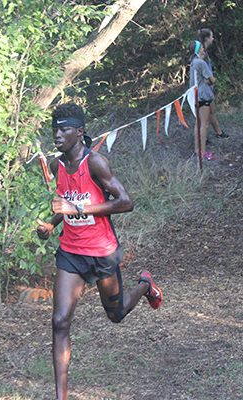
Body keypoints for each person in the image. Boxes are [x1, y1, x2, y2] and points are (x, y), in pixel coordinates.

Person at [37, 103, 163, 400]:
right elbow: (65, 201)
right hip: (71, 252)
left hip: (102, 251)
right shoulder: (58, 165)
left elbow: (125, 202)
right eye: (55, 129)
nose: (57, 134)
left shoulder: (95, 163)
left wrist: (77, 207)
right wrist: (53, 224)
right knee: (59, 321)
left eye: (64, 129)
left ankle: (145, 284)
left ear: (79, 132)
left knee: (116, 314)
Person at [197, 28, 228, 139]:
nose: (213, 38)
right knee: (203, 118)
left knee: (211, 111)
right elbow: (199, 70)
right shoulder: (201, 54)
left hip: (208, 88)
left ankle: (218, 132)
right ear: (207, 38)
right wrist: (209, 80)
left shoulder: (205, 52)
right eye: (211, 36)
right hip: (203, 89)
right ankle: (202, 141)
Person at [190, 41, 217, 160]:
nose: (203, 48)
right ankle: (203, 152)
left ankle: (197, 150)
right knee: (204, 125)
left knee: (198, 124)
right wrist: (210, 80)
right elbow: (212, 80)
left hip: (195, 95)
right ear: (198, 50)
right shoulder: (201, 63)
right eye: (201, 47)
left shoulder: (193, 62)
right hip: (203, 96)